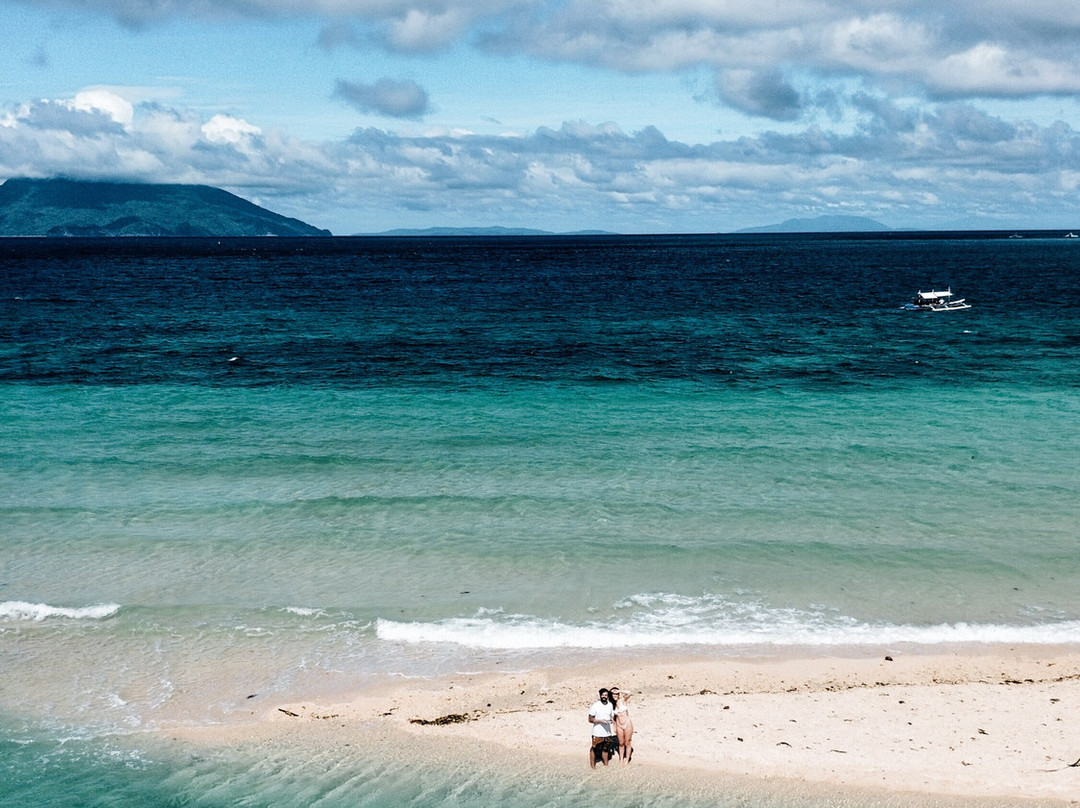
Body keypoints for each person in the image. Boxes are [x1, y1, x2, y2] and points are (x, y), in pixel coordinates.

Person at [587, 687, 616, 768]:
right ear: (600, 696)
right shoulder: (595, 706)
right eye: (603, 695)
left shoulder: (610, 705)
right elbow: (590, 719)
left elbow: (611, 717)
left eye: (606, 695)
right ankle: (593, 766)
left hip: (607, 733)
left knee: (605, 749)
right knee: (594, 748)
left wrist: (611, 721)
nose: (604, 696)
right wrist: (600, 721)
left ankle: (606, 765)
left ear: (607, 696)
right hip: (597, 732)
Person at [610, 686, 633, 763]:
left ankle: (626, 760)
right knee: (621, 743)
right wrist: (614, 727)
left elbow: (630, 693)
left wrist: (619, 690)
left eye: (616, 694)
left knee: (627, 742)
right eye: (613, 694)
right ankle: (621, 759)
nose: (614, 695)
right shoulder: (612, 705)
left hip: (627, 724)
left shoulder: (623, 700)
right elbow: (613, 719)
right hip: (619, 725)